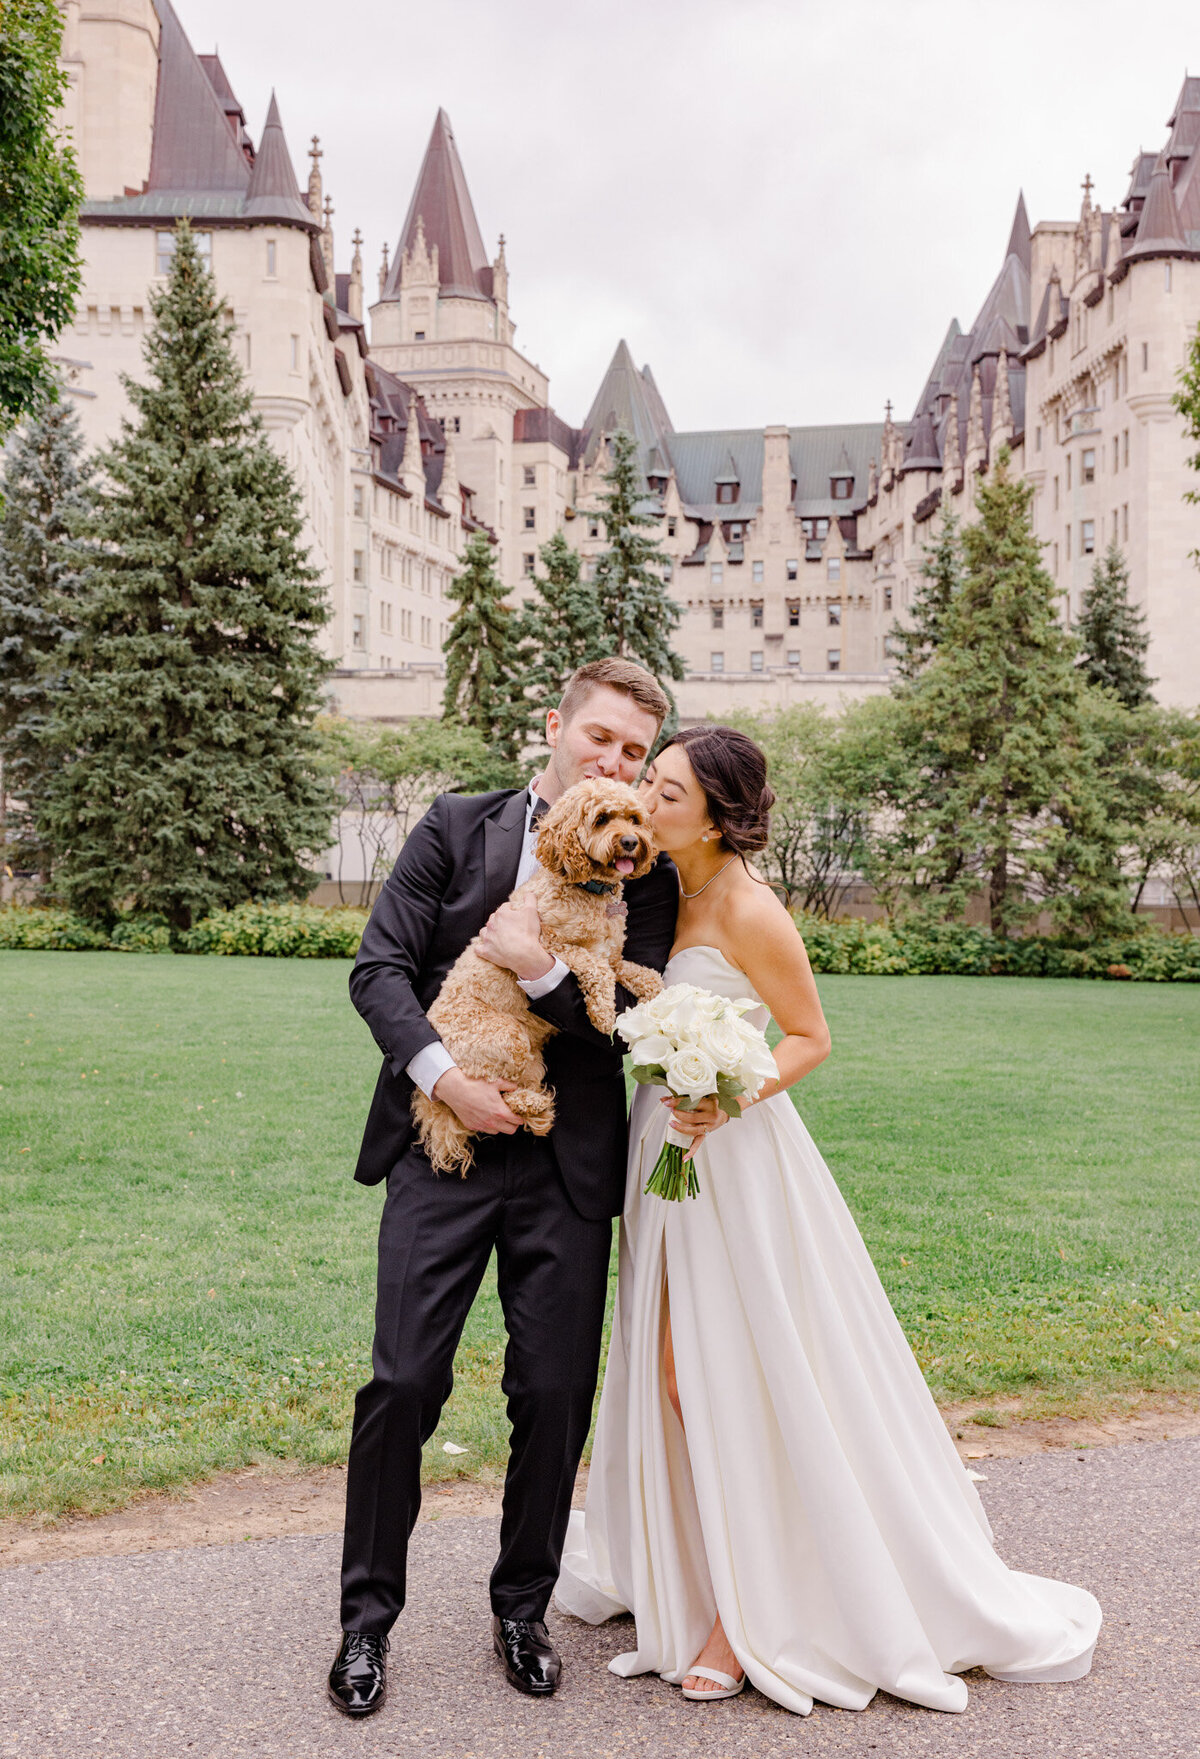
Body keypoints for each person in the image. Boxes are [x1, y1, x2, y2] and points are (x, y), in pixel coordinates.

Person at [555, 724, 1102, 1715]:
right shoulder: (662, 890)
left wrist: (730, 1093)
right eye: (649, 780)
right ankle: (705, 1573)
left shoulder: (754, 911)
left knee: (733, 1376)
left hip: (736, 1163)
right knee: (673, 1376)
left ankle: (750, 1613)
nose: (648, 797)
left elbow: (811, 1035)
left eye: (667, 788)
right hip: (665, 1157)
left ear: (721, 814)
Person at [328, 659, 677, 1718]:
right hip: (447, 1147)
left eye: (634, 752)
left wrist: (534, 973)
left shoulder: (642, 871)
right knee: (402, 1385)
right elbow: (379, 968)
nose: (615, 761)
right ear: (556, 726)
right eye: (601, 738)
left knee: (554, 1394)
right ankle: (364, 1622)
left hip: (567, 1164)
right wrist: (446, 1077)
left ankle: (521, 1608)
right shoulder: (454, 824)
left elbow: (622, 1019)